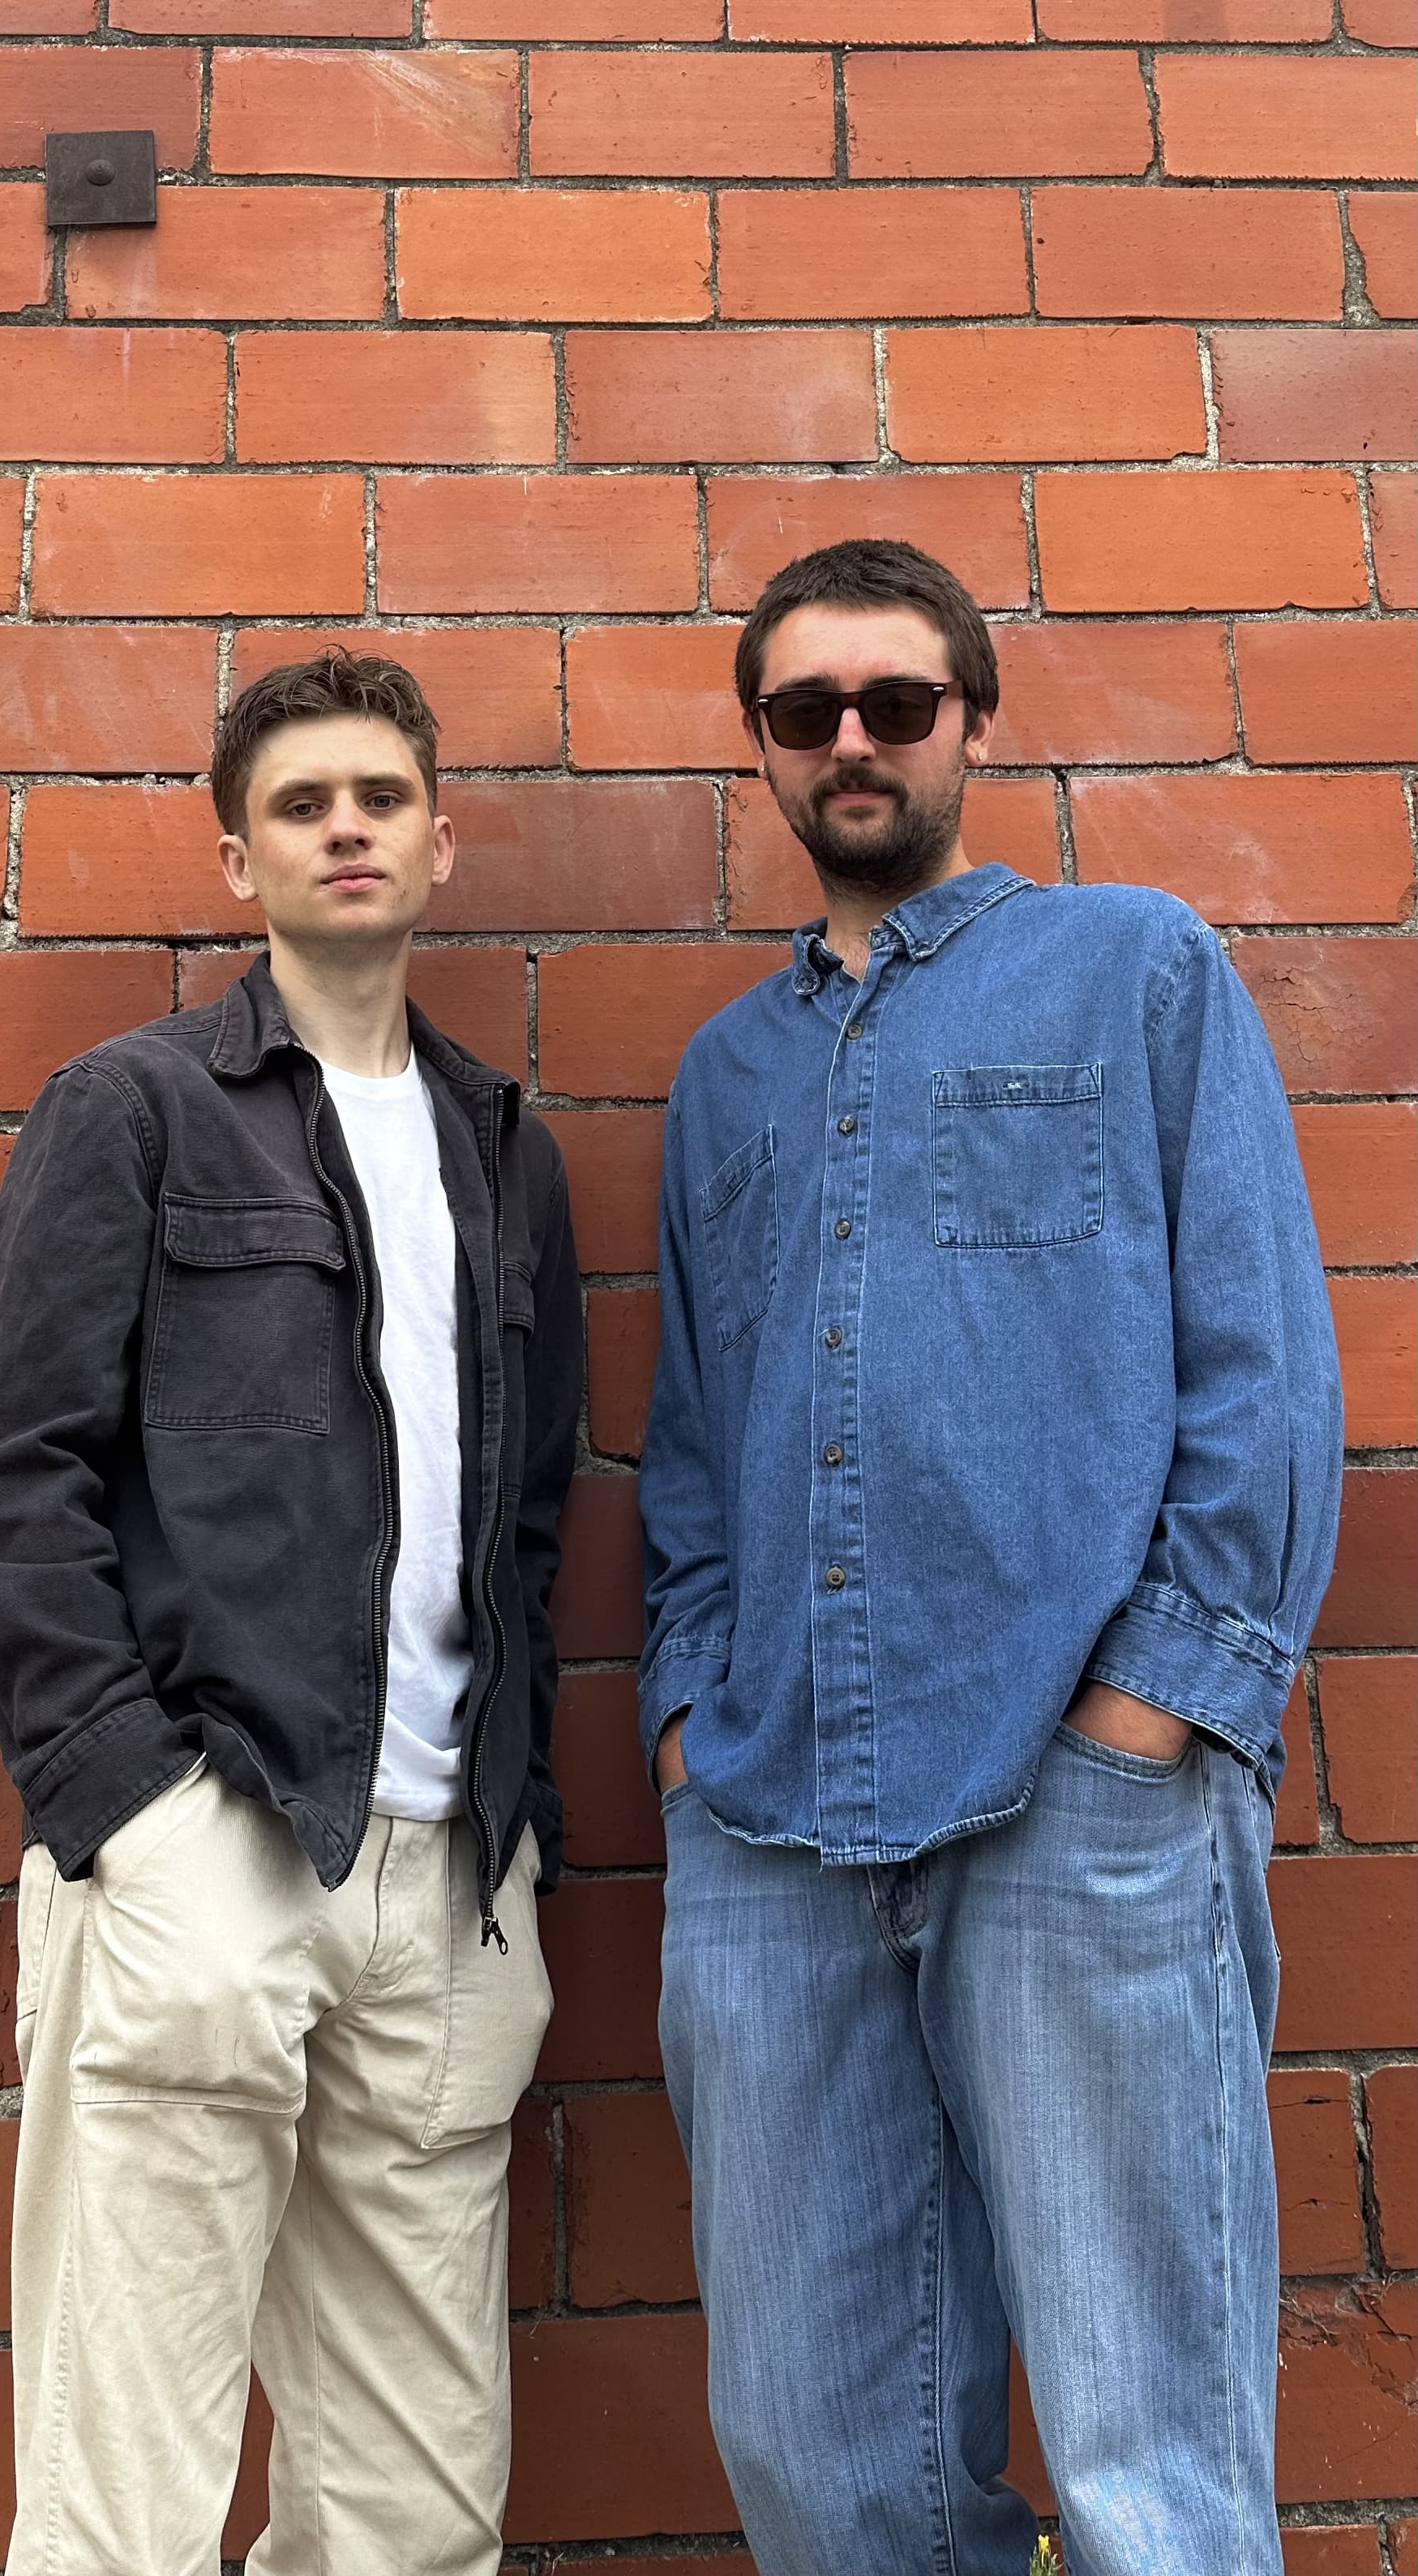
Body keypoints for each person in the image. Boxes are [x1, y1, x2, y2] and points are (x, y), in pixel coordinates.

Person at [639, 539, 1342, 2576]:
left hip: (1081, 1796)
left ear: (975, 718)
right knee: (816, 2454)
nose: (852, 741)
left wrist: (1158, 1711)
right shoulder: (722, 1078)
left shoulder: (1136, 969)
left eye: (896, 703)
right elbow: (691, 1443)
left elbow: (1264, 1365)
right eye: (804, 712)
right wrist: (690, 1717)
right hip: (770, 1820)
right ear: (762, 751)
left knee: (1151, 2450)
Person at [0, 650, 583, 2576]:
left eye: (381, 795)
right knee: (128, 2499)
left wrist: (510, 1828)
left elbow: (528, 1515)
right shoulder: (133, 1109)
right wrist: (128, 1808)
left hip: (442, 1875)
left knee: (414, 2508)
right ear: (238, 859)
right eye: (302, 805)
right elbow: (1, 1481)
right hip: (211, 1837)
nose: (347, 827)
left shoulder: (505, 1152)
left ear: (443, 841)